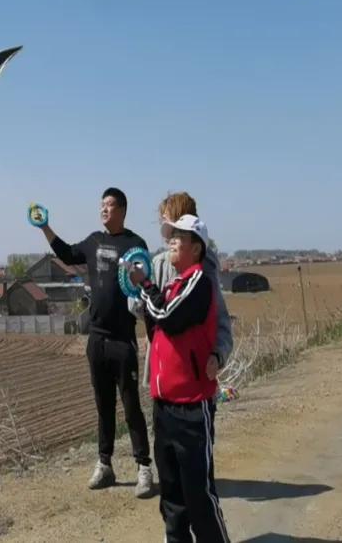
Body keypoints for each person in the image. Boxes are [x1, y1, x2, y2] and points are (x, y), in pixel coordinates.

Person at [36, 187, 154, 498]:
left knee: (131, 406)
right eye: (101, 205)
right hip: (97, 339)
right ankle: (105, 464)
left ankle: (144, 467)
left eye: (110, 205)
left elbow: (145, 283)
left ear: (123, 210)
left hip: (123, 338)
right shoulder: (93, 241)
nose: (104, 210)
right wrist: (45, 227)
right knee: (103, 407)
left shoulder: (135, 244)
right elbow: (66, 253)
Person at [131, 215, 230, 543]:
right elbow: (154, 313)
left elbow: (167, 317)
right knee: (172, 499)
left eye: (179, 238)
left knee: (198, 497)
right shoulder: (175, 285)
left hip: (190, 407)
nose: (171, 241)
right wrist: (146, 291)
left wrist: (146, 285)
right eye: (170, 236)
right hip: (165, 406)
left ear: (196, 247)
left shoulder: (199, 281)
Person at [131, 192, 233, 416]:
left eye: (170, 224)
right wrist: (137, 292)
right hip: (164, 378)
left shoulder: (204, 270)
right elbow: (141, 309)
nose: (167, 237)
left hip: (193, 382)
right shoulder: (157, 263)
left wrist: (218, 355)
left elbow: (219, 317)